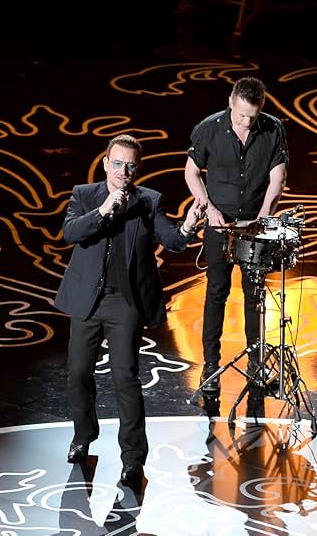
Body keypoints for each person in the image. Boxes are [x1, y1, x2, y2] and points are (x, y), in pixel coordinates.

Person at [54, 134, 206, 485]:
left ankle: (133, 457)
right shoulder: (84, 194)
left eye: (131, 165)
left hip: (125, 302)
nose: (124, 170)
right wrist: (104, 209)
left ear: (137, 168)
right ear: (106, 163)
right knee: (78, 373)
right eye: (118, 163)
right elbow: (70, 232)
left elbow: (172, 239)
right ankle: (83, 437)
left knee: (125, 377)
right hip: (88, 300)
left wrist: (186, 224)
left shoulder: (148, 201)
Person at [184, 76, 289, 393]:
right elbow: (191, 171)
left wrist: (265, 214)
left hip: (254, 225)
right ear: (231, 103)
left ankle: (257, 364)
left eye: (252, 116)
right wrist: (209, 208)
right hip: (219, 224)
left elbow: (278, 176)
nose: (246, 121)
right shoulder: (209, 128)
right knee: (216, 292)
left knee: (255, 295)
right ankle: (210, 366)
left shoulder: (272, 129)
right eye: (241, 114)